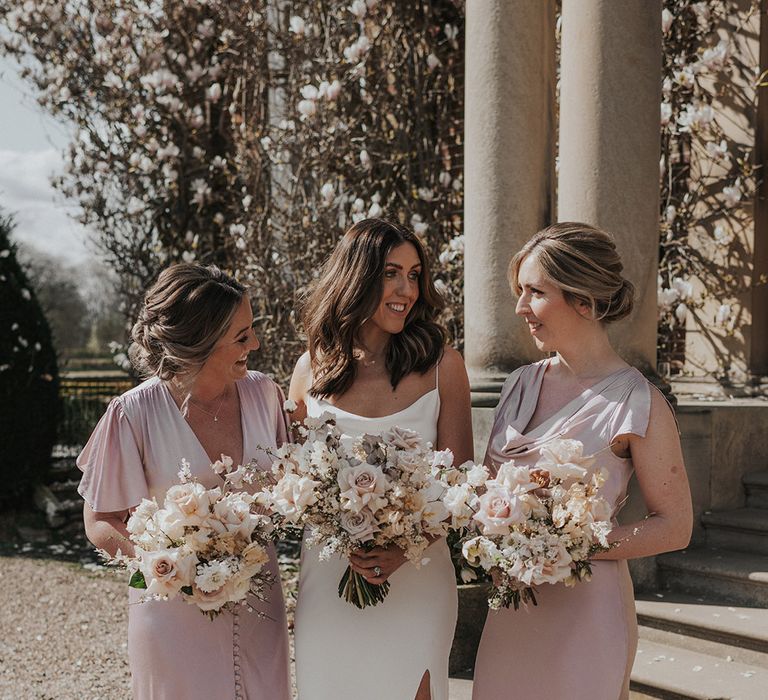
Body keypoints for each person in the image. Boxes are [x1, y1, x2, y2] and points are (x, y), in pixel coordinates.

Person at [471, 222, 693, 700]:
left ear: (584, 300)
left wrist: (566, 547)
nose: (520, 307)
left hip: (587, 614)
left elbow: (675, 525)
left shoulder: (637, 401)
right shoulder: (519, 384)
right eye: (520, 291)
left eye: (535, 292)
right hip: (512, 610)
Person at [77, 263, 291, 700]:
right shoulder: (133, 413)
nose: (256, 343)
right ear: (201, 343)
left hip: (258, 603)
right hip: (171, 611)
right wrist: (172, 564)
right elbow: (99, 520)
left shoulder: (265, 394)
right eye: (241, 336)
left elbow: (290, 488)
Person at [289, 218, 473, 700]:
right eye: (392, 273)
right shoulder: (310, 368)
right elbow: (295, 481)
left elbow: (461, 485)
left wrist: (405, 546)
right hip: (330, 574)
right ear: (357, 276)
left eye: (414, 275)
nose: (406, 289)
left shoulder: (443, 367)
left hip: (418, 572)